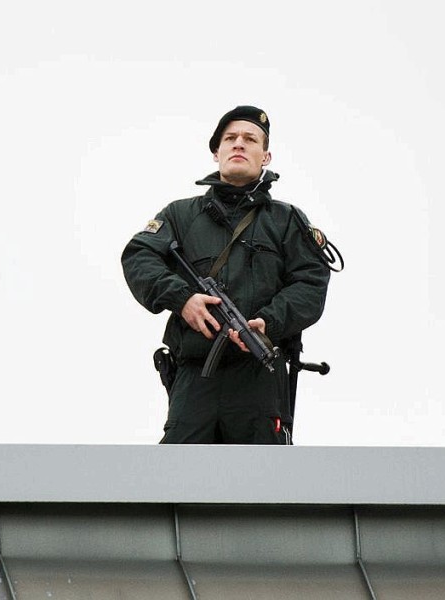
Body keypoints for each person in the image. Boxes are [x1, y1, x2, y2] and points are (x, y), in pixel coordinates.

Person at [121, 105, 331, 445]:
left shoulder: (287, 220)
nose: (239, 144)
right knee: (177, 480)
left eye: (250, 139)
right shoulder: (180, 215)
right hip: (194, 374)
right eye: (230, 138)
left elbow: (310, 284)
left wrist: (268, 321)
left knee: (262, 487)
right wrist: (183, 298)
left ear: (266, 156)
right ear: (216, 152)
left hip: (260, 379)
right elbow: (138, 256)